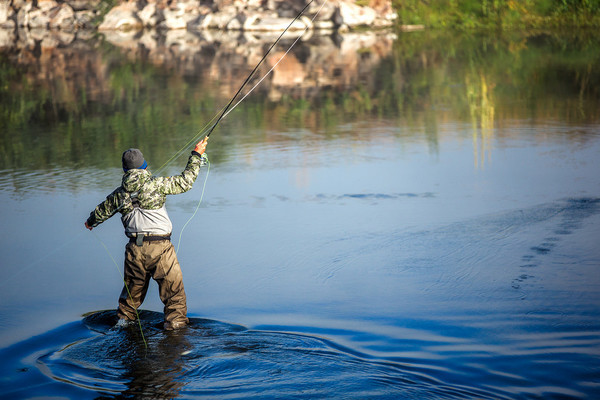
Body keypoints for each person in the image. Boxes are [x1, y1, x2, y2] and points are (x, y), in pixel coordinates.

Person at [85, 137, 209, 330]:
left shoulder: (118, 195)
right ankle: (175, 333)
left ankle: (123, 328)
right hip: (161, 249)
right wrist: (196, 154)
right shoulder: (157, 184)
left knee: (130, 300)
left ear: (125, 170)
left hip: (135, 251)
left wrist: (90, 223)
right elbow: (186, 182)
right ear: (144, 166)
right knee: (174, 297)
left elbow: (99, 213)